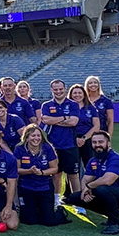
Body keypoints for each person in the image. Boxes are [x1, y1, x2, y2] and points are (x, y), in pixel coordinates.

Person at [65, 131, 119, 235]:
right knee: (74, 198)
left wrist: (89, 186)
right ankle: (116, 214)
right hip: (105, 193)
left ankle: (115, 225)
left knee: (102, 188)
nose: (97, 145)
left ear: (108, 143)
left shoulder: (116, 159)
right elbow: (85, 179)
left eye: (100, 142)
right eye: (94, 142)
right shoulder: (93, 160)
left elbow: (107, 180)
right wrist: (84, 192)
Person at [40, 79, 83, 212]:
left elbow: (74, 122)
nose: (58, 91)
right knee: (56, 175)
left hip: (70, 145)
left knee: (73, 175)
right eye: (55, 89)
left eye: (60, 89)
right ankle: (56, 200)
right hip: (53, 147)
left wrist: (55, 120)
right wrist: (64, 118)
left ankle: (78, 202)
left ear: (65, 89)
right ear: (51, 90)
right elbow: (45, 120)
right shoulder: (46, 105)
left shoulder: (73, 104)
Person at [13, 124, 69, 227]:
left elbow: (54, 168)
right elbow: (16, 169)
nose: (36, 138)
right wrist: (29, 171)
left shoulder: (47, 148)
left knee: (49, 222)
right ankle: (37, 210)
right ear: (27, 137)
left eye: (38, 135)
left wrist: (42, 173)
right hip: (26, 187)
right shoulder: (19, 148)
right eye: (33, 135)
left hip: (44, 188)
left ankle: (60, 212)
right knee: (28, 221)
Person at [69, 83, 101, 167]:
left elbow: (96, 126)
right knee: (72, 166)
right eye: (75, 93)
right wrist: (75, 138)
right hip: (71, 139)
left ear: (84, 94)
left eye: (79, 93)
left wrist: (83, 138)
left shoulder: (91, 108)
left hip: (88, 139)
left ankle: (90, 180)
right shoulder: (67, 107)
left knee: (90, 164)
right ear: (71, 95)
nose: (77, 95)